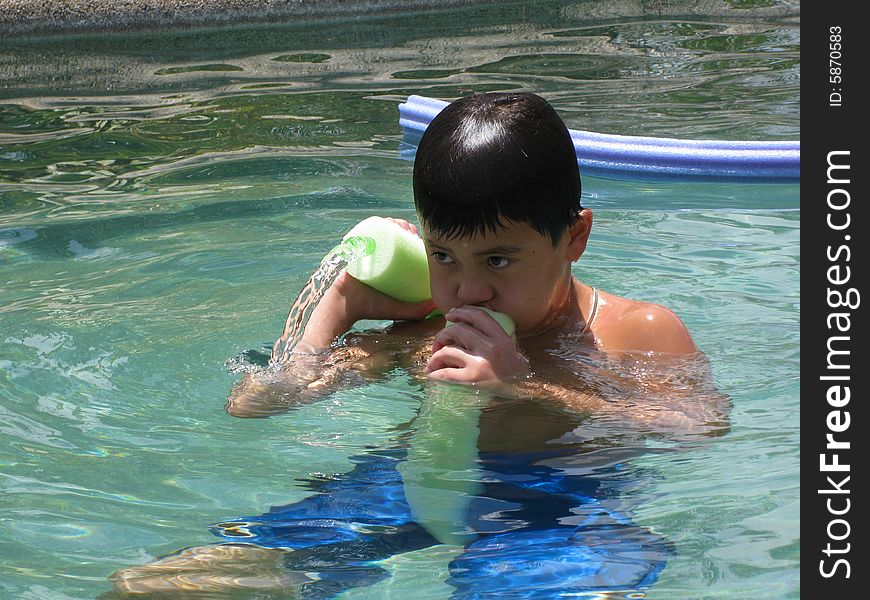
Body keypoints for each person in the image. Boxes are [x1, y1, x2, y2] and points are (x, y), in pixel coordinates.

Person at [108, 92, 729, 597]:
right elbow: (261, 401)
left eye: (499, 259)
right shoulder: (428, 328)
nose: (469, 289)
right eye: (444, 257)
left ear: (574, 237)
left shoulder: (635, 331)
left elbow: (696, 426)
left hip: (557, 501)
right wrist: (337, 304)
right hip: (406, 482)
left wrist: (521, 385)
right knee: (167, 587)